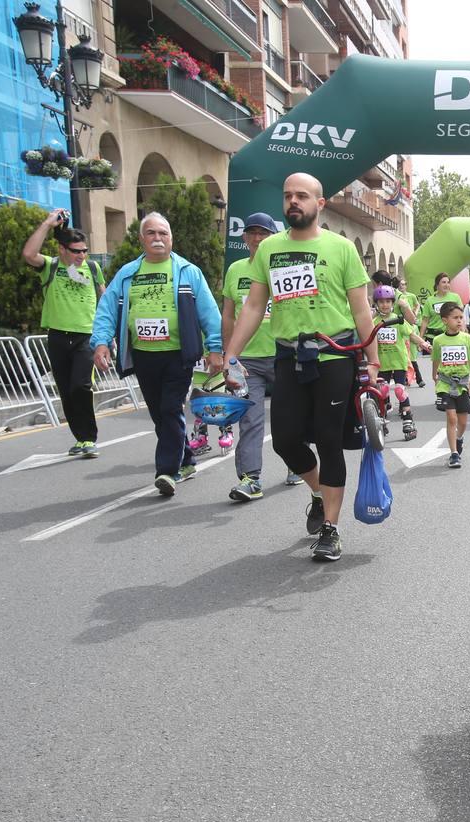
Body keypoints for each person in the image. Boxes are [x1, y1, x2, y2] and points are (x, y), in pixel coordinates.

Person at [225, 172, 379, 562]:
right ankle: (316, 491)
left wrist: (374, 360)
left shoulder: (342, 248)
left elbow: (361, 309)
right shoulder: (270, 249)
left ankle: (331, 528)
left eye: (303, 196)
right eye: (288, 195)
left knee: (328, 439)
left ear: (320, 203)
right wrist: (230, 356)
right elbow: (254, 307)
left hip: (333, 355)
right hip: (288, 355)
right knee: (285, 440)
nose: (294, 201)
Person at [91, 212, 224, 495]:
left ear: (171, 238)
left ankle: (167, 471)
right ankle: (186, 458)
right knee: (159, 414)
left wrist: (215, 349)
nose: (157, 238)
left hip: (178, 355)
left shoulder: (188, 271)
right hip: (143, 355)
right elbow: (105, 310)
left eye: (163, 233)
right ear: (141, 239)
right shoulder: (127, 274)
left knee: (170, 408)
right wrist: (100, 342)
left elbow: (210, 313)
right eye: (151, 233)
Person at [221, 212, 299, 497]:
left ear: (272, 237)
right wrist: (228, 356)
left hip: (282, 354)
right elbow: (228, 316)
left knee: (290, 417)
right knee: (250, 420)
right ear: (245, 238)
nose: (257, 238)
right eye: (252, 233)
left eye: (262, 233)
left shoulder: (282, 266)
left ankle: (297, 463)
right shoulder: (235, 270)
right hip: (248, 360)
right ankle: (250, 479)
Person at [22, 208, 104, 457]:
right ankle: (80, 439)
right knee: (67, 390)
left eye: (84, 250)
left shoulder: (92, 267)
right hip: (57, 336)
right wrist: (48, 223)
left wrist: (107, 336)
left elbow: (106, 298)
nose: (81, 255)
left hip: (85, 337)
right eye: (76, 251)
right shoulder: (51, 266)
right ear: (62, 249)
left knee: (81, 386)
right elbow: (29, 253)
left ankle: (90, 438)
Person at [430, 301, 470, 468]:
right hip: (445, 384)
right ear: (445, 320)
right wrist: (434, 373)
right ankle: (454, 453)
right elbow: (436, 358)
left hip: (463, 385)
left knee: (463, 421)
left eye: (461, 318)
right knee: (451, 418)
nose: (459, 321)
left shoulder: (467, 339)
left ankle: (459, 438)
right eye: (455, 318)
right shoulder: (438, 340)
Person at [372, 285, 424, 441]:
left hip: (399, 362)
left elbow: (411, 334)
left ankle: (408, 420)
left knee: (400, 391)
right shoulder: (374, 322)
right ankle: (381, 417)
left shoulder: (398, 320)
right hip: (383, 363)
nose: (385, 305)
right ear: (376, 303)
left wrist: (423, 343)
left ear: (393, 303)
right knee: (382, 393)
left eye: (388, 301)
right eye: (381, 302)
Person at [394, 275, 426, 387]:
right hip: (400, 327)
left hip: (411, 326)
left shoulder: (411, 296)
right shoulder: (396, 296)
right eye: (400, 284)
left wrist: (414, 313)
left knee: (411, 355)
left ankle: (419, 379)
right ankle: (406, 378)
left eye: (404, 284)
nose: (402, 286)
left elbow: (417, 305)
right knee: (403, 355)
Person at [419, 272, 462, 346]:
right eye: (443, 282)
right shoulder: (429, 300)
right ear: (437, 285)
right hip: (433, 338)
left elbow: (461, 317)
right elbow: (425, 321)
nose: (446, 285)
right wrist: (420, 339)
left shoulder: (456, 297)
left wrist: (463, 332)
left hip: (452, 337)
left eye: (448, 282)